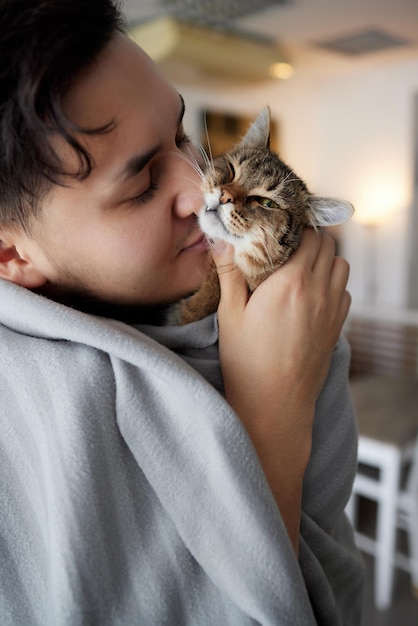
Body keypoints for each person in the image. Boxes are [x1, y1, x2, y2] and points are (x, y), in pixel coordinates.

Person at [0, 0, 365, 624]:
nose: (200, 189)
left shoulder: (297, 314)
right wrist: (270, 415)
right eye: (142, 183)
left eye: (180, 137)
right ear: (11, 252)